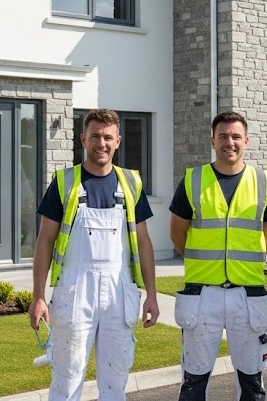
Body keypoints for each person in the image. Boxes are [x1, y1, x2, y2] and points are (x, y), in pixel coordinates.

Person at [30, 108, 160, 401]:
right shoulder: (64, 183)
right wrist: (38, 295)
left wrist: (151, 294)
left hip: (120, 291)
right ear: (83, 139)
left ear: (118, 141)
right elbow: (44, 241)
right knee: (67, 376)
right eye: (95, 137)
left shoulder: (131, 183)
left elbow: (144, 242)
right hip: (75, 292)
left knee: (115, 379)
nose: (101, 143)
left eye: (107, 137)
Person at [170, 111, 267, 401]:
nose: (229, 142)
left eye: (235, 136)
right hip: (201, 295)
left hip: (247, 295)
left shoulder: (263, 182)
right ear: (212, 140)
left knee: (252, 385)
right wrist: (201, 260)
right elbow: (177, 234)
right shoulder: (193, 179)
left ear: (246, 140)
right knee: (193, 384)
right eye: (223, 136)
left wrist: (247, 258)